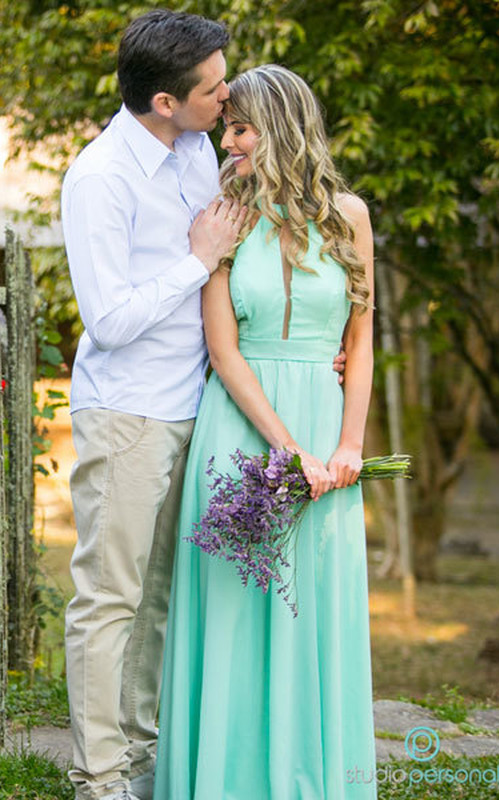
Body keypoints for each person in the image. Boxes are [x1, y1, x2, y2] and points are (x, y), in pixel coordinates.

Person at [153, 64, 377, 799]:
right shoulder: (225, 219)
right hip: (242, 428)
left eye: (241, 129)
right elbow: (224, 351)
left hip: (327, 433)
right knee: (233, 608)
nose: (228, 143)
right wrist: (289, 451)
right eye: (227, 129)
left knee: (314, 604)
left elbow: (361, 340)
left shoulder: (350, 215)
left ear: (279, 129)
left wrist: (348, 446)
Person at [60, 10, 247, 800]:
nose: (227, 94)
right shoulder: (100, 178)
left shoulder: (202, 150)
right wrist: (195, 260)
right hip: (129, 413)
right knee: (110, 599)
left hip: (197, 406)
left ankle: (139, 762)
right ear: (165, 101)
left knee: (157, 600)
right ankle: (99, 779)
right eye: (213, 87)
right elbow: (107, 319)